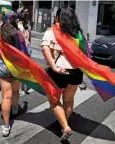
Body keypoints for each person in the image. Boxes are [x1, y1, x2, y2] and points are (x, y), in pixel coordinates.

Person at [41, 7, 84, 140]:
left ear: (58, 17)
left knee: (54, 100)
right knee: (69, 99)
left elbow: (45, 49)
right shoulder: (78, 33)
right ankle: (64, 122)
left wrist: (53, 67)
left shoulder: (51, 31)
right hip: (76, 72)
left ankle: (65, 127)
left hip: (59, 70)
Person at [0, 8, 25, 136]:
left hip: (3, 67)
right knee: (16, 90)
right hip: (16, 68)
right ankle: (15, 108)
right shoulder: (19, 34)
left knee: (6, 96)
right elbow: (23, 52)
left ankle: (6, 126)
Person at [17, 9, 32, 94]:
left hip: (22, 48)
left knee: (21, 69)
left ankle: (21, 88)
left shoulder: (18, 25)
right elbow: (29, 38)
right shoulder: (27, 24)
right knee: (25, 68)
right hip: (27, 47)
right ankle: (24, 87)